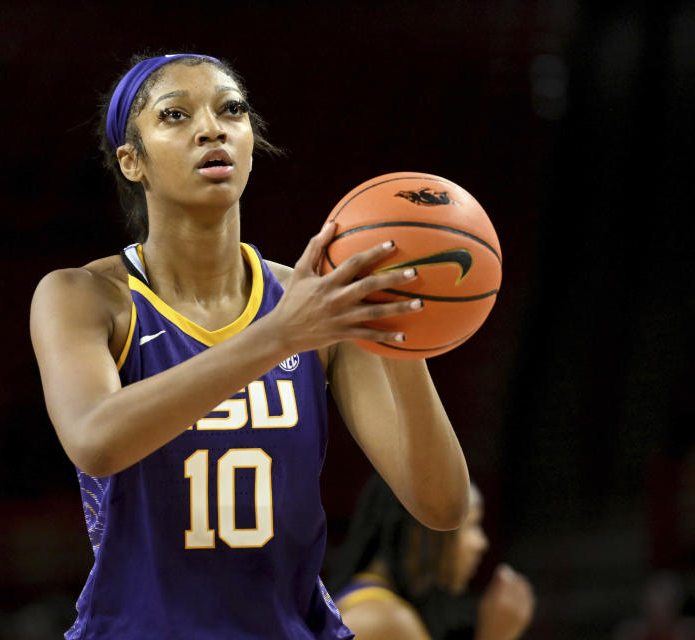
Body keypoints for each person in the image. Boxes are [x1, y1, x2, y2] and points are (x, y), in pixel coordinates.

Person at [30, 52, 471, 639]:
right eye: (175, 115)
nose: (211, 127)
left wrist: (403, 331)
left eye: (231, 110)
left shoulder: (316, 302)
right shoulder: (84, 296)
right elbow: (95, 440)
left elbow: (441, 506)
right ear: (131, 162)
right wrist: (279, 336)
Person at [329, 474, 534, 639]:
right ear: (420, 528)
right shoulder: (383, 620)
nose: (481, 543)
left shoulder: (377, 607)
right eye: (472, 524)